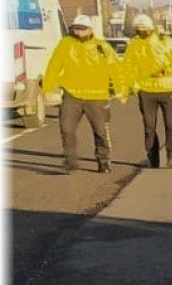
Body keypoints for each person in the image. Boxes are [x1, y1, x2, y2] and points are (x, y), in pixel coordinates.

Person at [42, 15, 129, 174]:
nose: (79, 32)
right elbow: (54, 66)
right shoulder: (65, 44)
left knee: (100, 131)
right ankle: (71, 162)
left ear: (90, 29)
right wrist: (48, 88)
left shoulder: (102, 47)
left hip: (97, 97)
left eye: (82, 29)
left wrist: (121, 90)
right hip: (72, 95)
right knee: (66, 129)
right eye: (76, 29)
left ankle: (103, 161)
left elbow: (116, 69)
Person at [123, 14, 172, 169]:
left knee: (170, 125)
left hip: (167, 89)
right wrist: (133, 86)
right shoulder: (134, 45)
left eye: (144, 28)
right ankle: (152, 157)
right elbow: (128, 68)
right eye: (138, 29)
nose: (141, 31)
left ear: (150, 28)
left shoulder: (165, 42)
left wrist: (167, 70)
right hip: (146, 91)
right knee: (149, 127)